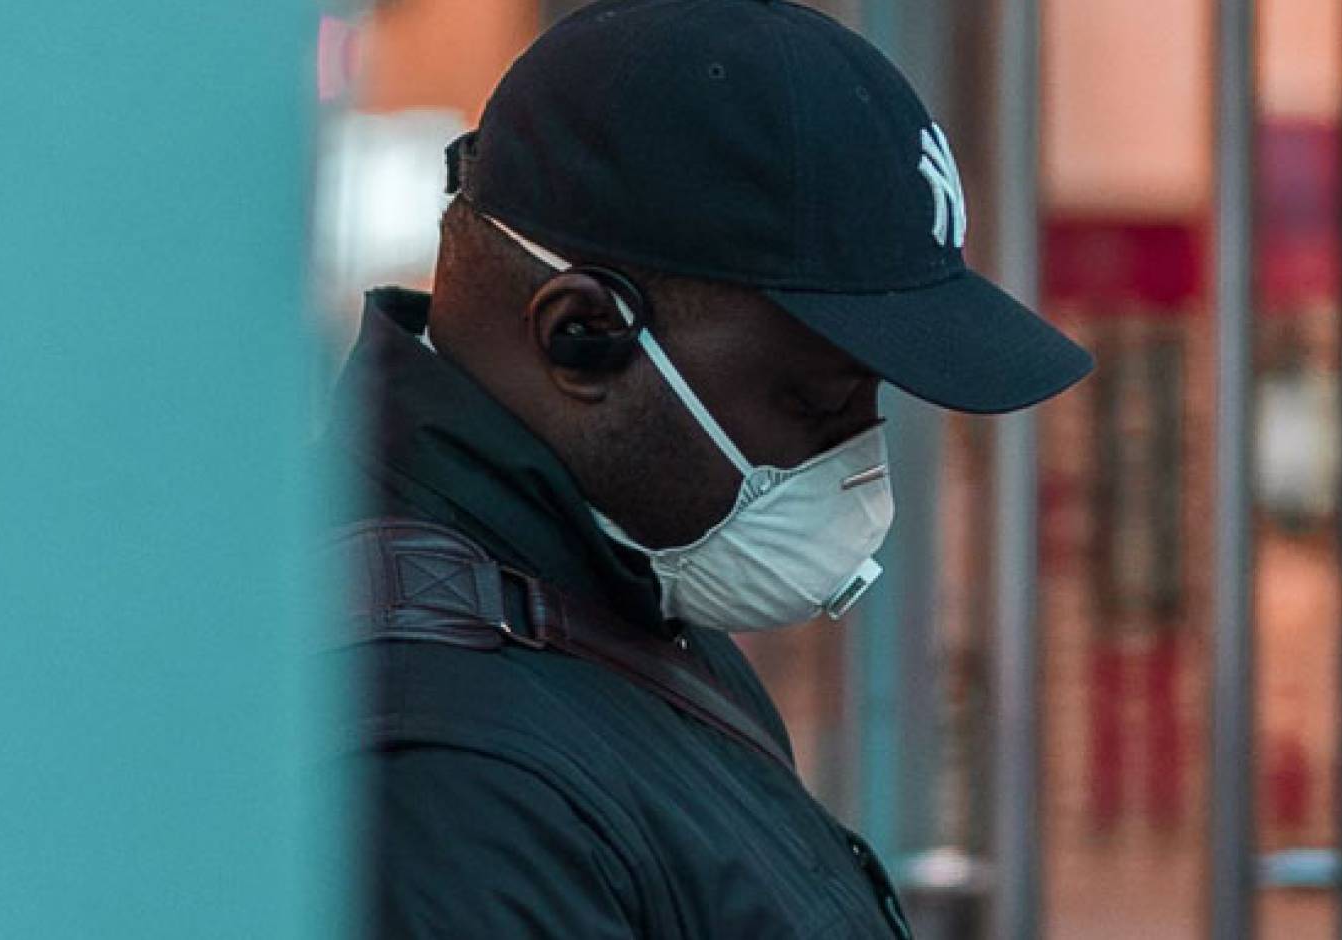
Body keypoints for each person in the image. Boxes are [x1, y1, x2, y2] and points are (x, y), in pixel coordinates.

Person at [326, 1, 1092, 936]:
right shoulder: (451, 778)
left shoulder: (612, 592)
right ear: (583, 336)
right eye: (814, 403)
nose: (859, 459)